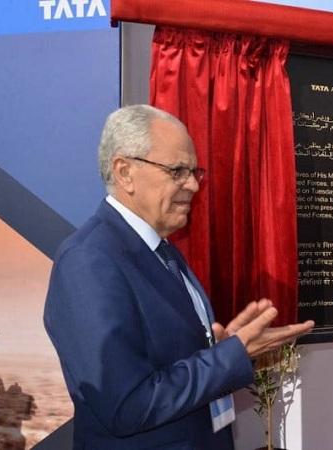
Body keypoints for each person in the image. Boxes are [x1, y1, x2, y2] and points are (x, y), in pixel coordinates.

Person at [44, 105, 314, 449]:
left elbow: (169, 360)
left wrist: (223, 344)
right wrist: (233, 355)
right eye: (177, 171)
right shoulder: (88, 261)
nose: (193, 185)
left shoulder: (164, 250)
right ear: (125, 172)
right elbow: (127, 405)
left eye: (194, 172)